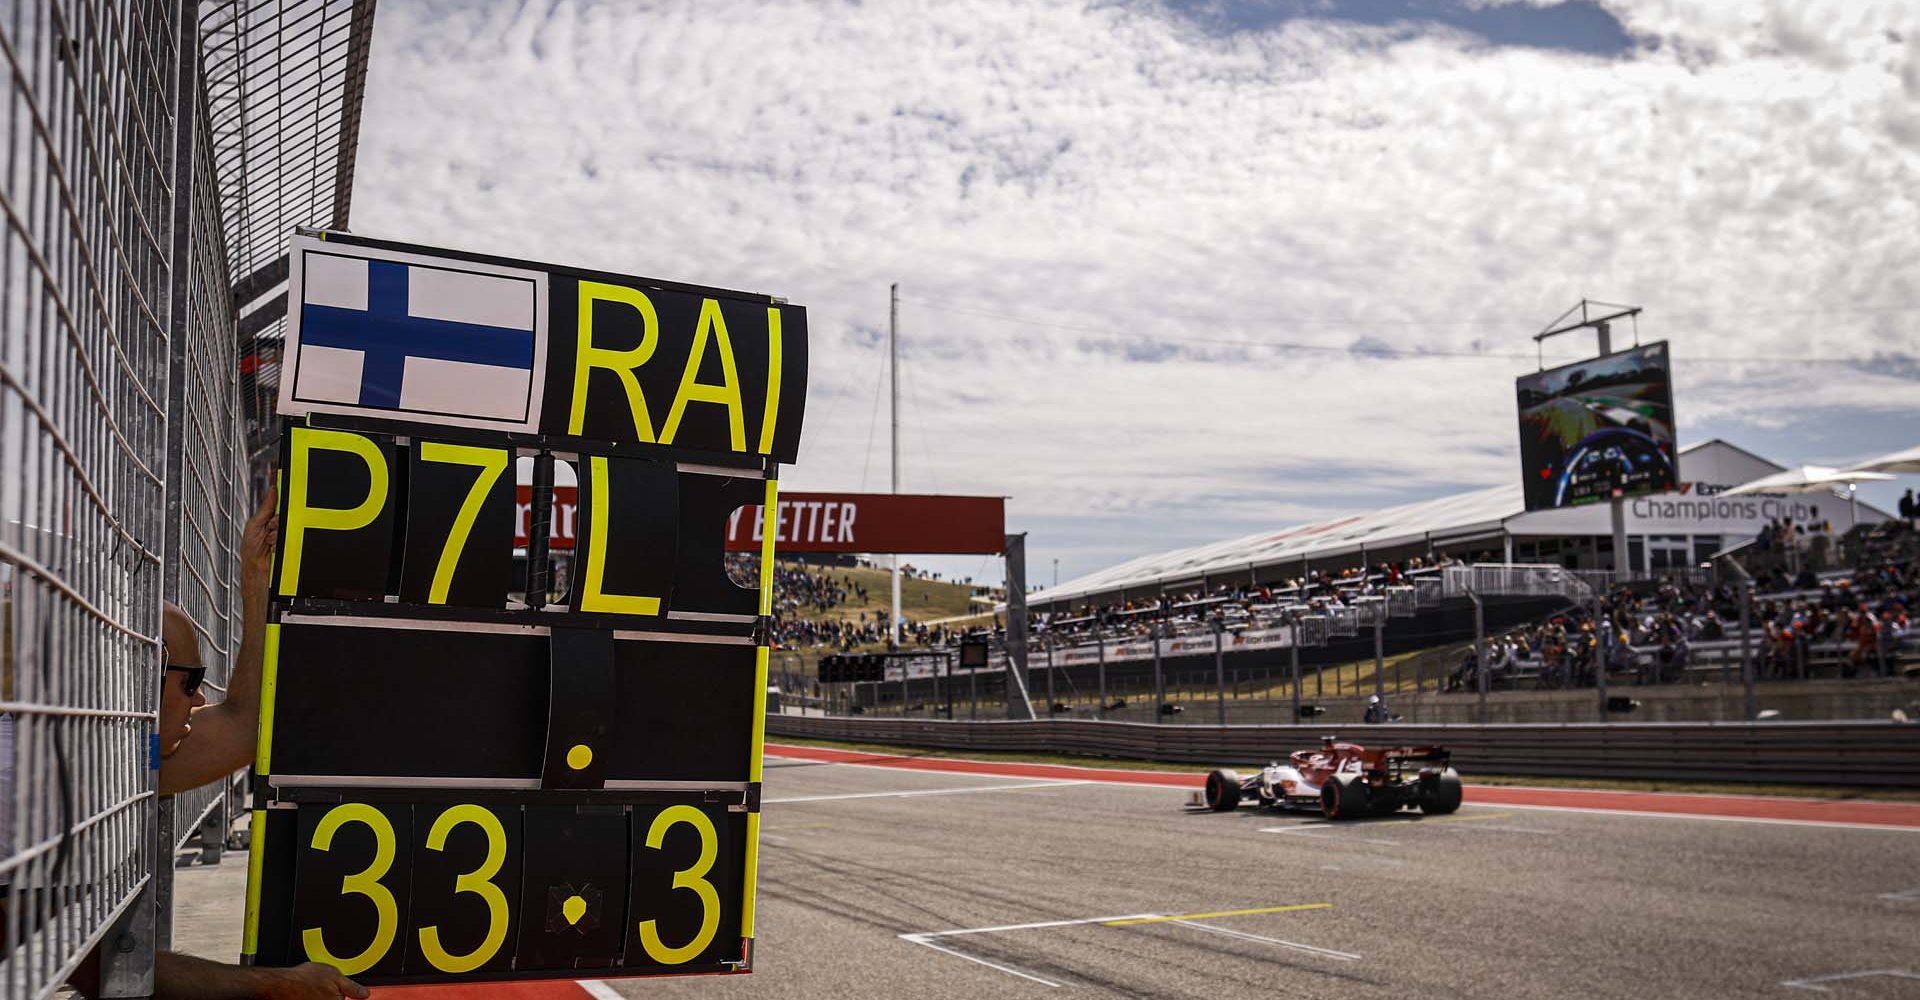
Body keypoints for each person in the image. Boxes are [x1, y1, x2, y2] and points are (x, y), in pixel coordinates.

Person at [70, 489, 366, 1000]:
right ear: (138, 683)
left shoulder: (128, 752)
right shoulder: (28, 777)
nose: (200, 696)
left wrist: (255, 581)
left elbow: (243, 725)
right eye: (189, 682)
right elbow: (89, 968)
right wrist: (275, 985)